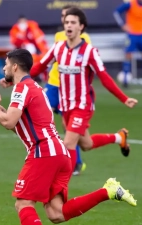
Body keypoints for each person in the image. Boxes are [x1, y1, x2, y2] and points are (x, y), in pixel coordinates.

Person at [0, 48, 137, 225]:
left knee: (23, 202)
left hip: (44, 152)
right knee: (56, 213)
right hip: (60, 153)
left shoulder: (21, 88)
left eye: (6, 64)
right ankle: (108, 191)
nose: (4, 68)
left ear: (15, 66)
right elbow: (17, 124)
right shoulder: (33, 87)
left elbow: (8, 122)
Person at [2, 7, 139, 174]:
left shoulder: (89, 51)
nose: (69, 25)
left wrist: (124, 98)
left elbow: (104, 77)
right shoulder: (58, 48)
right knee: (86, 144)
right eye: (67, 22)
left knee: (67, 144)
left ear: (81, 27)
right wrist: (14, 79)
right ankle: (119, 138)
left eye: (73, 22)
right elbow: (39, 67)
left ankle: (62, 192)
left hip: (82, 106)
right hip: (65, 105)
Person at [45, 5, 92, 176]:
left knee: (69, 127)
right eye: (64, 18)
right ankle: (48, 154)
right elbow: (51, 58)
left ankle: (75, 162)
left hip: (70, 88)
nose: (66, 22)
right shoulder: (58, 36)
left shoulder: (84, 38)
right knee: (42, 114)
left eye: (70, 19)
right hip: (53, 83)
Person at [113, 0, 142, 88]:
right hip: (132, 35)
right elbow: (116, 12)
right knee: (128, 55)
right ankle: (125, 81)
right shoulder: (131, 4)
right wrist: (123, 25)